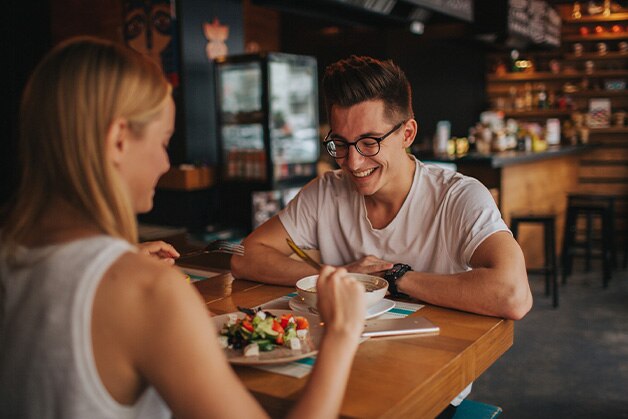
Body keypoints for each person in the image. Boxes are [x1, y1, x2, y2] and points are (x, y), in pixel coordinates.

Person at [0, 37, 367, 418]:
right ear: (118, 140)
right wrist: (341, 335)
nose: (164, 163)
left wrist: (122, 261)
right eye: (164, 142)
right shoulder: (149, 292)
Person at [231, 55, 532, 321]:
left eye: (369, 142)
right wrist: (339, 276)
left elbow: (513, 295)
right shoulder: (326, 192)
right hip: (340, 357)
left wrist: (394, 278)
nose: (353, 161)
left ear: (407, 134)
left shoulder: (458, 197)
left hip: (434, 364)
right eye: (341, 143)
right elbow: (246, 256)